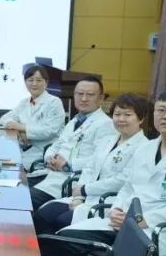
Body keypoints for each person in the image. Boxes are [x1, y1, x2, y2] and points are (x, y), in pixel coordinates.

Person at [46, 90, 166, 256]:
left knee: (81, 246)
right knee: (61, 239)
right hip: (123, 222)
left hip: (157, 230)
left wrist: (144, 219)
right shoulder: (146, 149)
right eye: (161, 110)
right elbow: (128, 186)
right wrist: (116, 208)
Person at [34, 94, 149, 235]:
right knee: (42, 215)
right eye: (117, 114)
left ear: (141, 118)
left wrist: (85, 190)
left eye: (128, 115)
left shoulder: (144, 147)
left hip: (108, 202)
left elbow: (122, 180)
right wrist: (79, 196)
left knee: (62, 221)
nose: (121, 119)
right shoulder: (108, 140)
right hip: (85, 197)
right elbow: (89, 168)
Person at [29, 76, 115, 210]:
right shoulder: (75, 120)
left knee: (24, 198)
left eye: (90, 95)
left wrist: (67, 165)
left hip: (70, 181)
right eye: (79, 94)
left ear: (101, 98)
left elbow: (100, 160)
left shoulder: (105, 124)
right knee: (14, 188)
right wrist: (49, 158)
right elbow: (57, 144)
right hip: (51, 173)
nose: (84, 99)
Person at [0, 64, 67, 168]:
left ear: (46, 82)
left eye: (39, 80)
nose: (34, 84)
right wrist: (19, 131)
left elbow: (49, 131)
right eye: (30, 80)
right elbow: (4, 118)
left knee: (10, 166)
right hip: (25, 149)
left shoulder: (54, 102)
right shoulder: (24, 102)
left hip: (45, 153)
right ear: (25, 82)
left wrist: (21, 128)